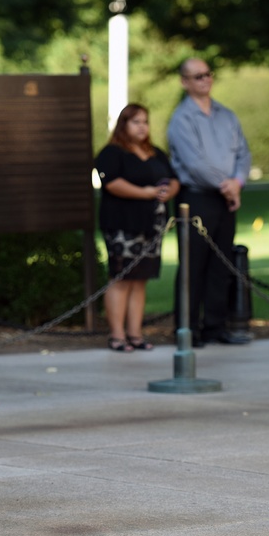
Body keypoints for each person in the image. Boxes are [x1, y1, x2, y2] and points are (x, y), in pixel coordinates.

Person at [167, 57, 252, 347]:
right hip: (196, 198)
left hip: (226, 198)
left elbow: (243, 153)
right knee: (193, 266)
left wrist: (236, 183)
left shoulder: (227, 115)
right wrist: (225, 185)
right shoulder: (181, 119)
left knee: (222, 264)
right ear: (185, 81)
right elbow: (194, 163)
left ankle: (216, 326)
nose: (205, 80)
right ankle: (187, 329)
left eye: (207, 74)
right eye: (197, 76)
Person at [96, 104, 180, 352]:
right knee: (121, 278)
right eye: (136, 122)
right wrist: (146, 192)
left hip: (152, 225)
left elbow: (174, 179)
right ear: (124, 124)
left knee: (141, 279)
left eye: (145, 121)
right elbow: (112, 183)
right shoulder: (111, 153)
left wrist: (167, 192)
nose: (142, 127)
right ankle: (117, 336)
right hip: (123, 224)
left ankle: (135, 334)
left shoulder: (155, 152)